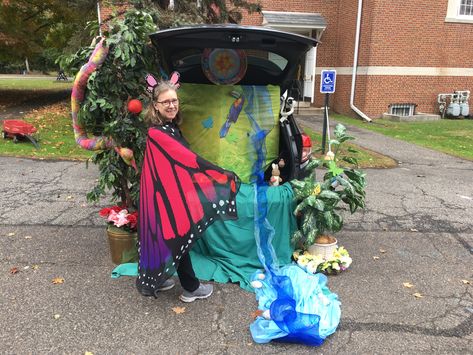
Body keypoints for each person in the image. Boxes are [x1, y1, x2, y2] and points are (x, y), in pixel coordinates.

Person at [136, 80, 239, 302]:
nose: (172, 105)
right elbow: (188, 160)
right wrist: (219, 175)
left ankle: (159, 279)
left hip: (167, 193)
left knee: (166, 237)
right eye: (166, 102)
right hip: (161, 196)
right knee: (176, 237)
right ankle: (191, 288)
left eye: (174, 100)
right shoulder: (157, 133)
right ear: (155, 105)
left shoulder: (170, 128)